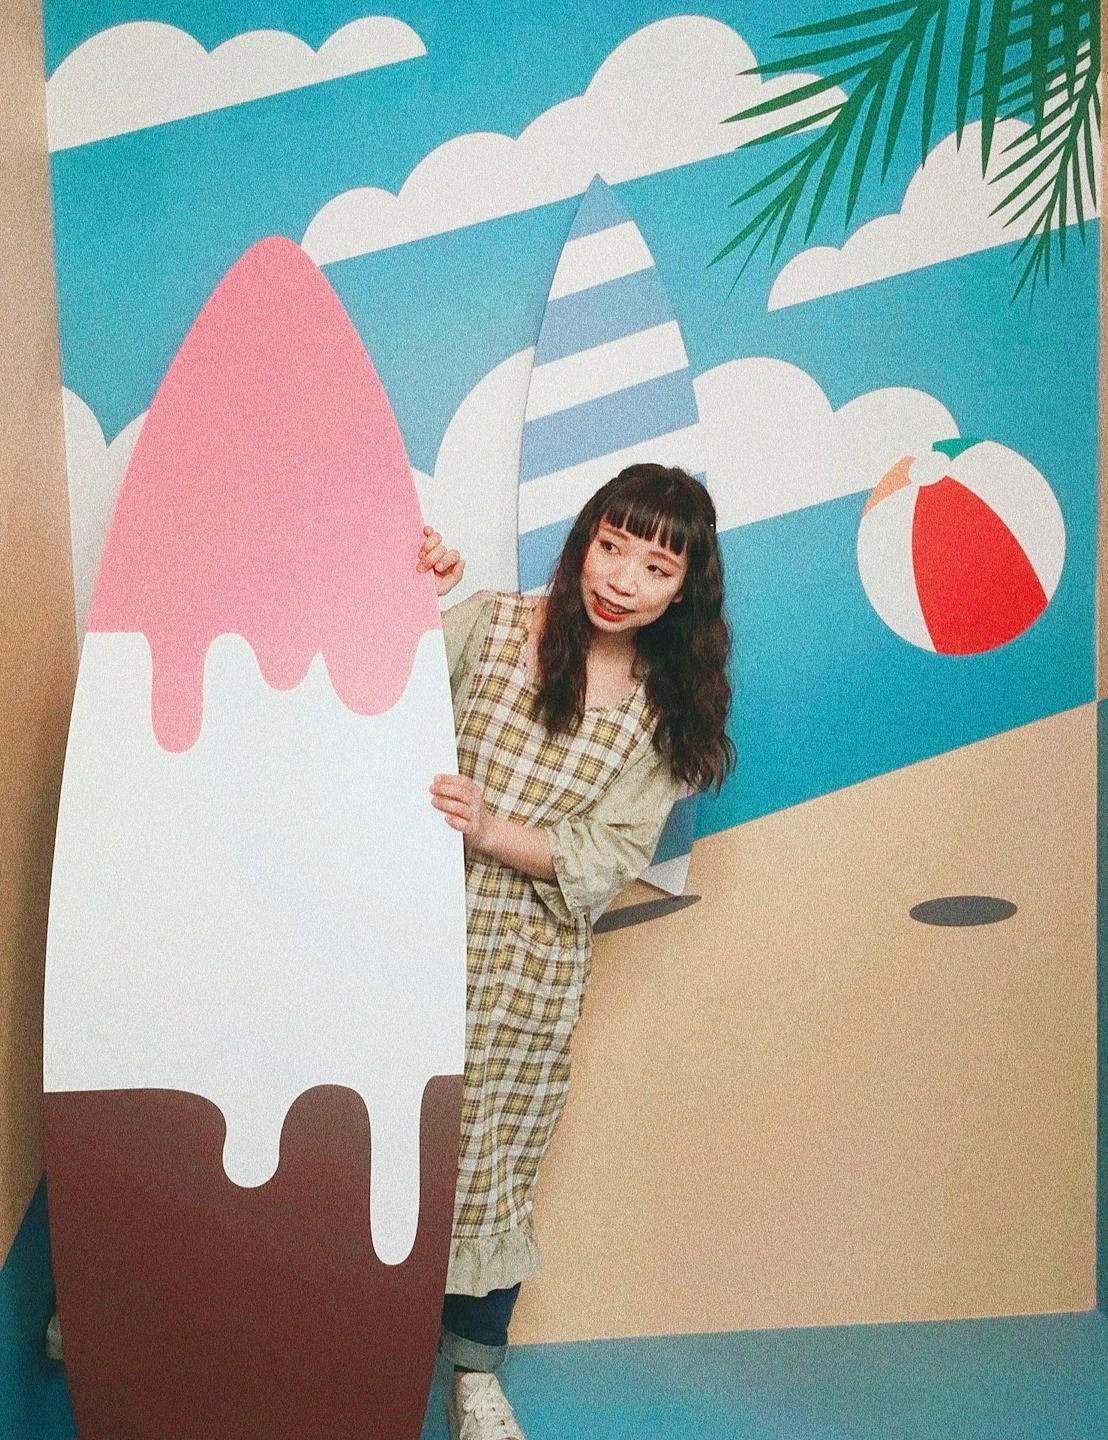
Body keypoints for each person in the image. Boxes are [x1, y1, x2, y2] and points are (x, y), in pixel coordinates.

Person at [416, 463, 735, 1440]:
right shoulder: (493, 624)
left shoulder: (663, 712)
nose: (623, 580)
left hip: (523, 966)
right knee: (356, 1137)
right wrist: (410, 597)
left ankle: (474, 1379)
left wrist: (490, 829)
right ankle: (227, 1319)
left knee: (487, 1165)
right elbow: (375, 694)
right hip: (408, 930)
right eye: (611, 546)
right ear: (584, 538)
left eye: (656, 567)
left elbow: (605, 856)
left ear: (684, 593)